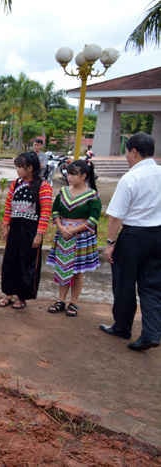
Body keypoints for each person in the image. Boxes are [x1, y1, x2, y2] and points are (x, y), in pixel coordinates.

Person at [100, 133, 161, 352]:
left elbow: (115, 216)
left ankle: (122, 327)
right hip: (158, 235)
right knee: (152, 286)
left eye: (127, 152)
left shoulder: (130, 178)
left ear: (134, 151)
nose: (126, 157)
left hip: (134, 236)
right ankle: (152, 332)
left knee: (124, 283)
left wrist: (110, 243)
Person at [46, 159, 101, 317]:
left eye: (73, 174)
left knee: (77, 272)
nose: (69, 177)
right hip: (64, 235)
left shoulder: (92, 195)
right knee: (62, 268)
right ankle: (60, 300)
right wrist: (61, 227)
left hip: (81, 237)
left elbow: (93, 219)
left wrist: (74, 229)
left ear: (84, 176)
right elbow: (55, 211)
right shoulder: (63, 192)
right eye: (68, 173)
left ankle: (74, 302)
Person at [0, 152, 52, 310]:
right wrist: (5, 225)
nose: (18, 170)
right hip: (15, 228)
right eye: (17, 167)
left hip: (30, 231)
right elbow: (9, 206)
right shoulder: (15, 184)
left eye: (21, 167)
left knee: (26, 263)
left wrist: (39, 234)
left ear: (30, 168)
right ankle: (8, 292)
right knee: (10, 261)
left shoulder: (43, 187)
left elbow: (45, 212)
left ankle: (22, 296)